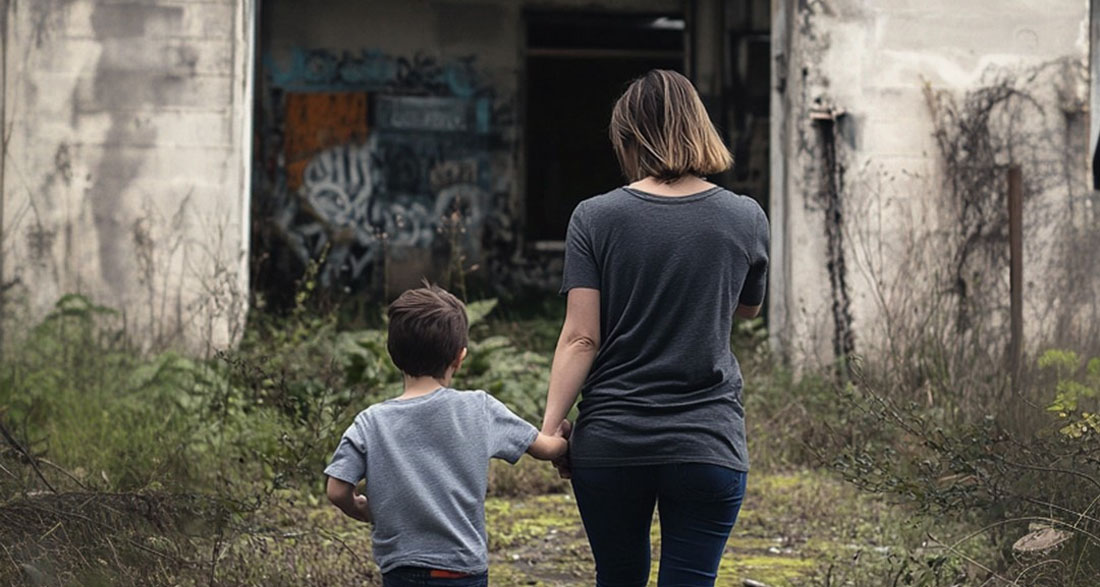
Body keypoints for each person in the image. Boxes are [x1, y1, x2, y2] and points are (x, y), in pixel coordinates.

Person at [540, 69, 770, 586]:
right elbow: (747, 308)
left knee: (618, 577)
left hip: (611, 445)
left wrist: (551, 430)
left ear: (629, 137)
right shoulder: (746, 217)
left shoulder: (594, 217)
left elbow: (581, 337)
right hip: (707, 442)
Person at [324, 284, 569, 587]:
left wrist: (364, 509)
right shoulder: (479, 408)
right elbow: (545, 448)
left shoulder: (369, 422)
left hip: (401, 570)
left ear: (392, 354)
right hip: (461, 570)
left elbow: (337, 491)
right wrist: (563, 438)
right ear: (459, 356)